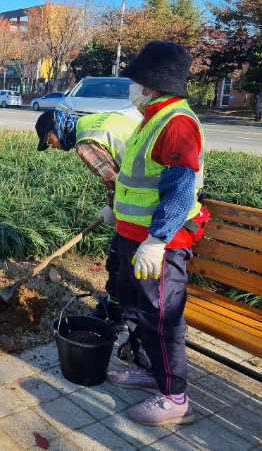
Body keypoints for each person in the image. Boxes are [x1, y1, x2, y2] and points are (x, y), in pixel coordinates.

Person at [106, 40, 209, 426]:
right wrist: (115, 211)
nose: (132, 88)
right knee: (133, 305)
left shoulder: (177, 122)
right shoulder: (154, 116)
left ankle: (175, 397)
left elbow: (180, 189)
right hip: (134, 236)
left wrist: (158, 238)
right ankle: (149, 371)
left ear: (152, 83)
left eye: (136, 81)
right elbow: (139, 182)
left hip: (159, 244)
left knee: (162, 316)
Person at [35, 109, 139, 331]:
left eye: (49, 140)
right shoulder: (92, 121)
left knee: (120, 262)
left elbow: (114, 181)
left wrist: (114, 208)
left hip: (142, 198)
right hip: (151, 182)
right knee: (119, 259)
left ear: (57, 129)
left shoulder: (85, 144)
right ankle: (116, 310)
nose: (53, 147)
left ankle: (120, 316)